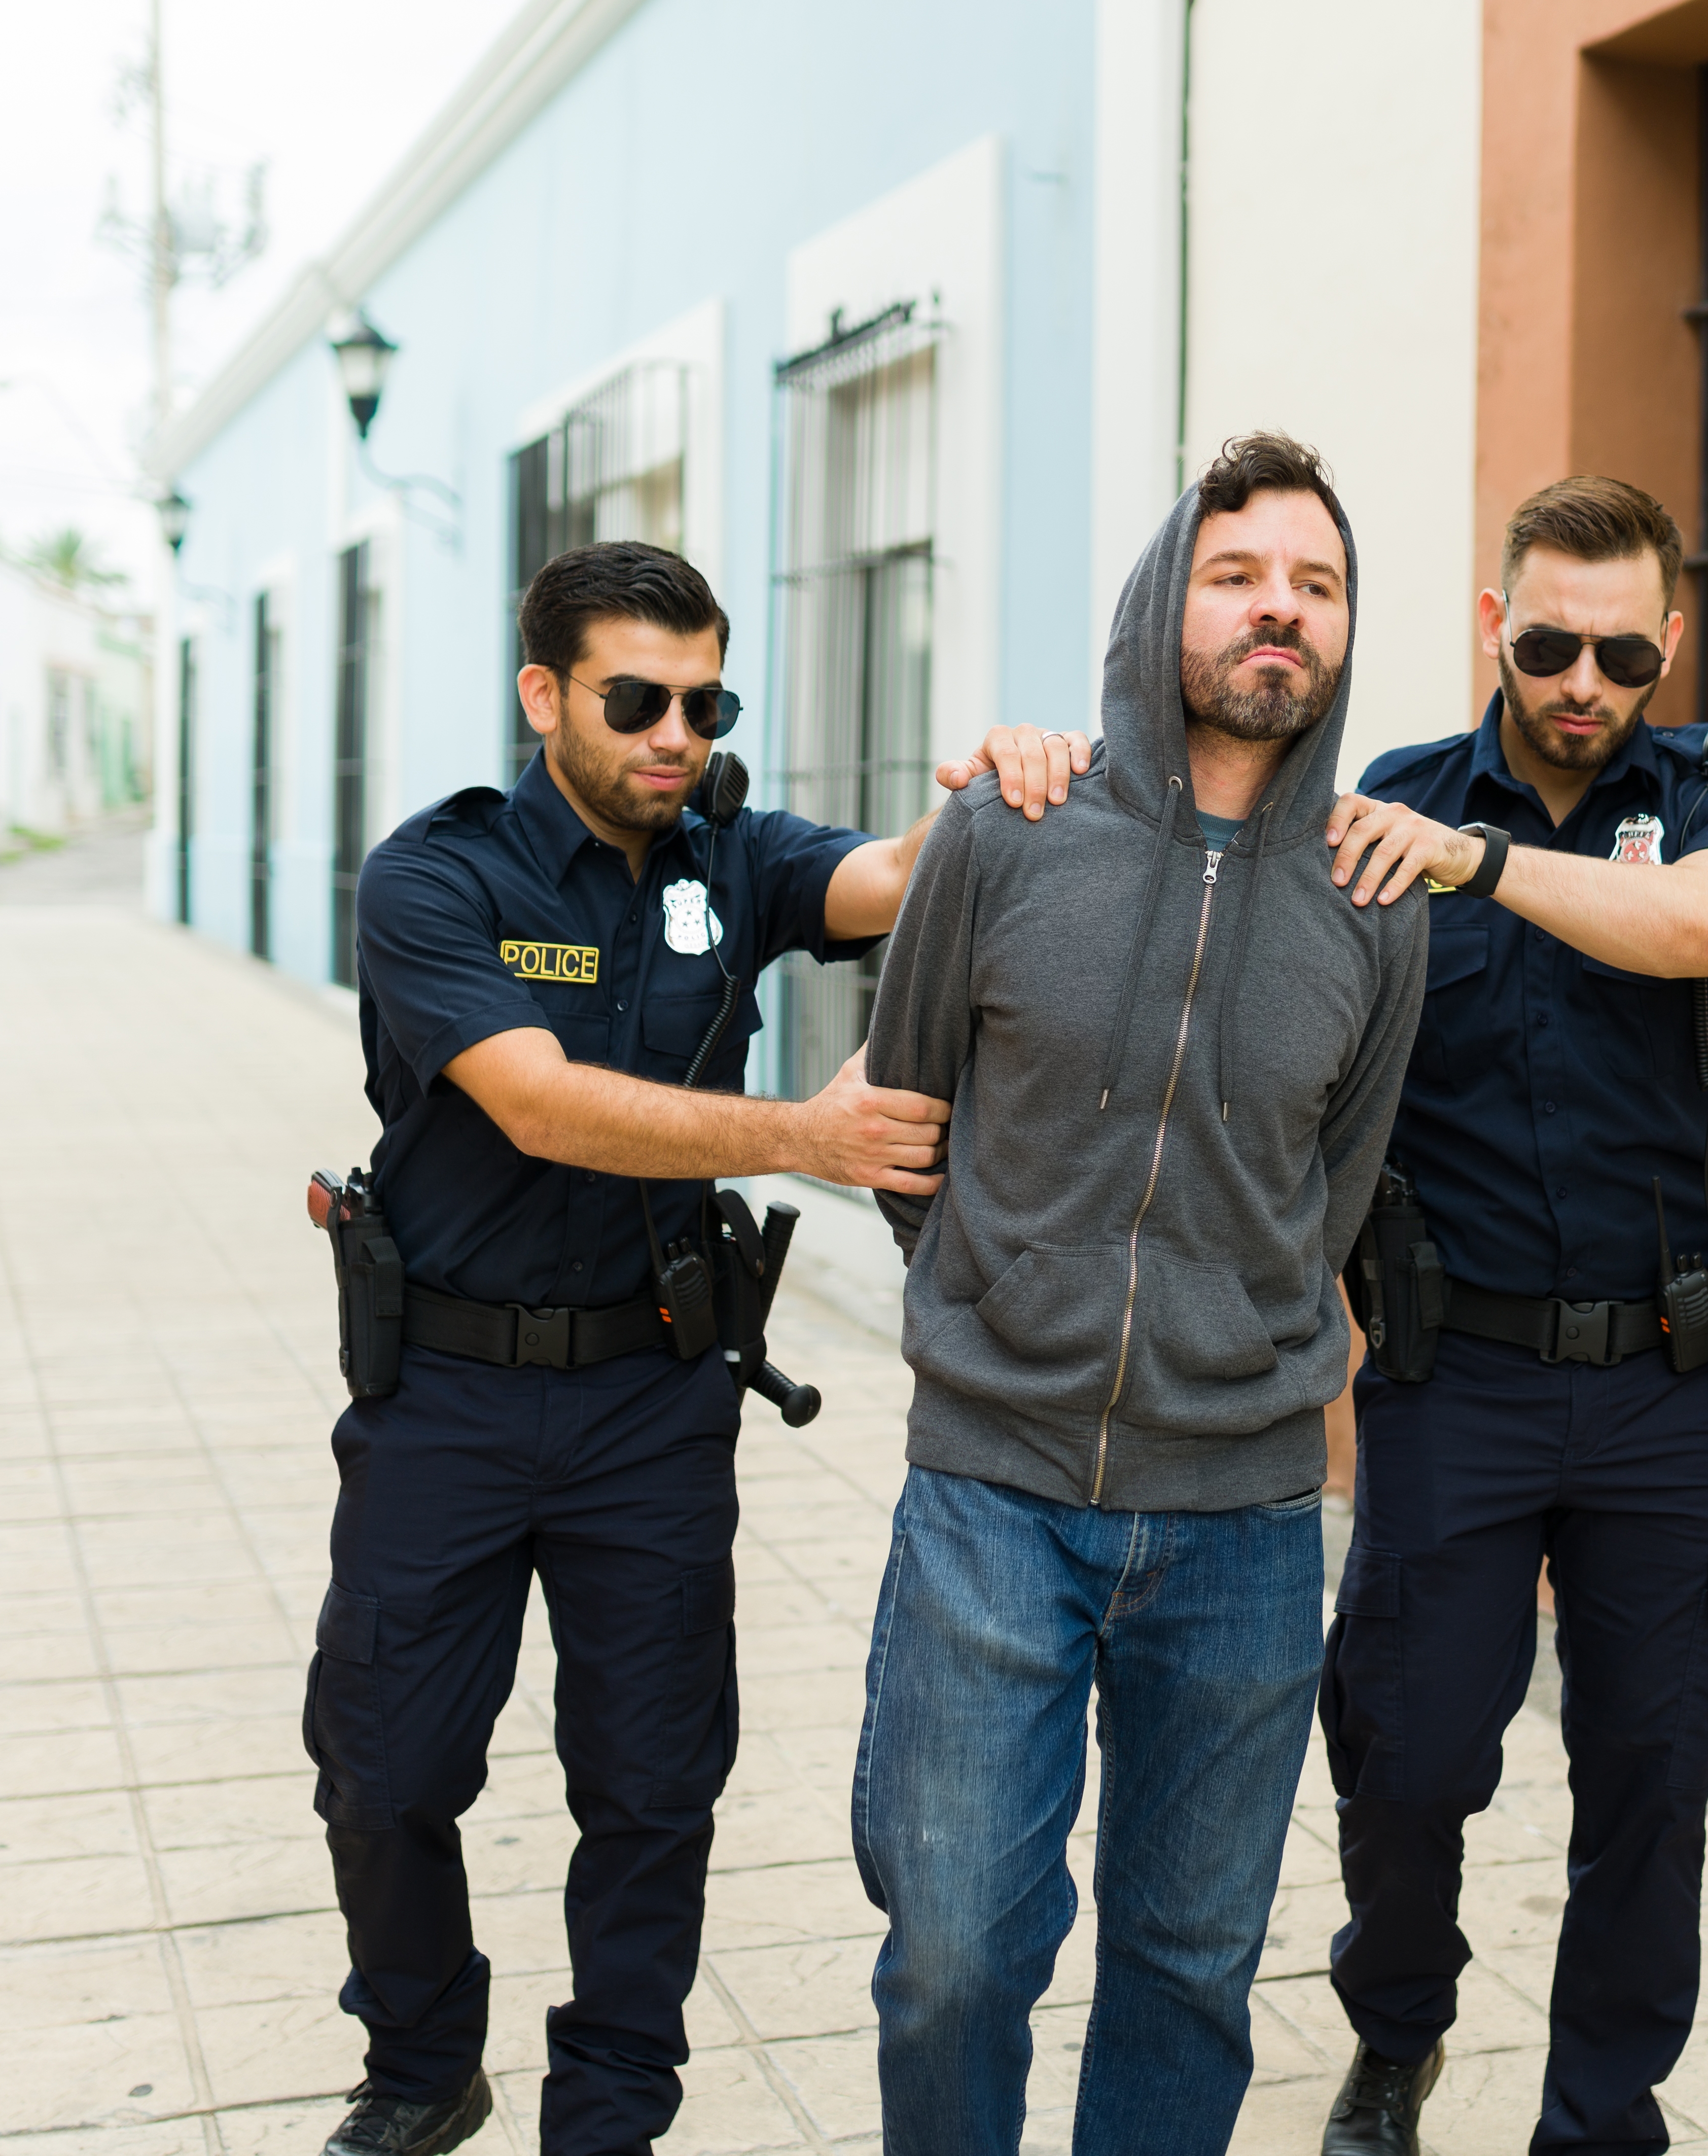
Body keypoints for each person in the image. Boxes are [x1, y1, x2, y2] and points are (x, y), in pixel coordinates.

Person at [308, 540, 1076, 2156]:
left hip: (651, 1401)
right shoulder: (435, 878)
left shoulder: (733, 856)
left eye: (706, 699)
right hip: (445, 1390)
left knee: (652, 1786)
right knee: (383, 1770)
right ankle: (422, 2055)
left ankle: (610, 2112)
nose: (676, 731)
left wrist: (1001, 789)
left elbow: (899, 879)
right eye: (638, 698)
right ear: (546, 696)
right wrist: (802, 1130)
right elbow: (536, 1098)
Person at [850, 433, 1428, 2156]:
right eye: (1242, 573)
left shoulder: (1374, 898)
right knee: (954, 1956)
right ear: (1163, 598)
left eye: (1316, 586)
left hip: (1243, 1514)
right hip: (994, 1493)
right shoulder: (1005, 828)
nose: (1281, 612)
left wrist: (1238, 1333)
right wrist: (1002, 1304)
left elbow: (1336, 1185)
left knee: (1189, 1965)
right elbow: (906, 1121)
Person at [1306, 475, 1708, 2155]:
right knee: (1406, 1750)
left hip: (1678, 1389)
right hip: (1461, 1376)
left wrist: (1485, 863)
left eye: (1618, 650)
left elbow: (1702, 927)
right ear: (1492, 631)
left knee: (1648, 1778)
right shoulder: (1384, 806)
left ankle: (1601, 2118)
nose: (1581, 682)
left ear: (1668, 641)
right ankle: (1397, 2027)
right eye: (1546, 644)